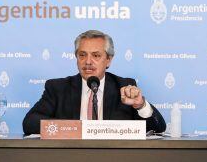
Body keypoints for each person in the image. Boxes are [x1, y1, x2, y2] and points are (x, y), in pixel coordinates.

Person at [22, 30, 166, 135]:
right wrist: (74, 129)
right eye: (82, 55)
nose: (88, 62)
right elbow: (30, 123)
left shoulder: (123, 87)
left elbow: (158, 128)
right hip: (68, 159)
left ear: (108, 60)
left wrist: (140, 104)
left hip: (115, 161)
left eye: (96, 56)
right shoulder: (58, 88)